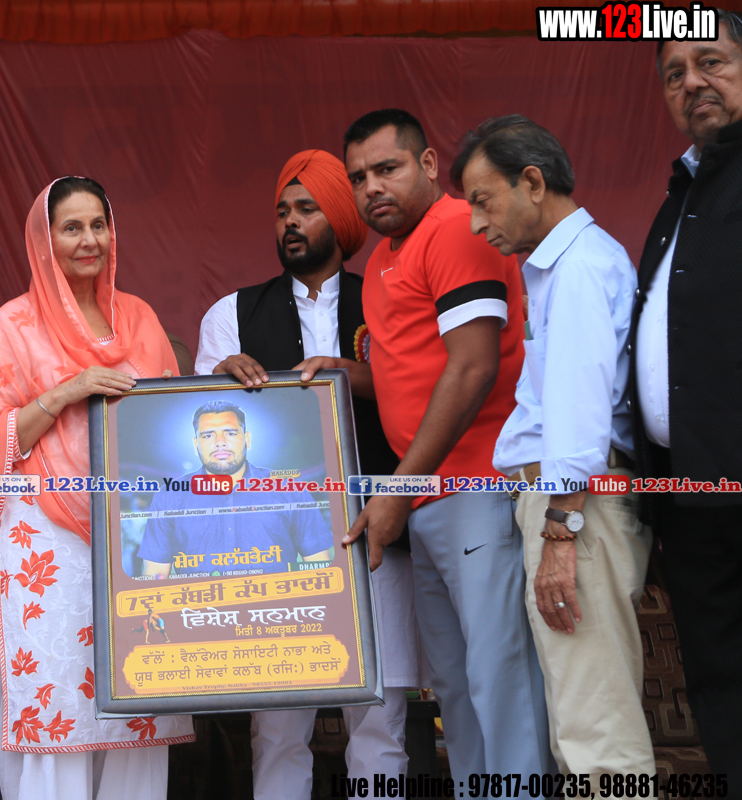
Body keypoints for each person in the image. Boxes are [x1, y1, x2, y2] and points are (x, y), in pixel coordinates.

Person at [196, 149, 420, 798]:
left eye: (306, 209)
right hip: (274, 554)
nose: (290, 222)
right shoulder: (231, 315)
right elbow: (200, 431)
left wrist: (358, 376)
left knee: (379, 723)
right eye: (281, 211)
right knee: (277, 728)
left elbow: (426, 393)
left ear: (341, 218)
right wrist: (215, 381)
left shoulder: (391, 299)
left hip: (376, 537)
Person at [0, 177, 193, 800]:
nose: (89, 239)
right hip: (45, 538)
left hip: (135, 537)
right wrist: (67, 391)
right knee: (57, 701)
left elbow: (175, 425)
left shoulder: (139, 317)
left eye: (99, 225)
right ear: (44, 240)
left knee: (136, 709)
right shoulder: (15, 323)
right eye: (72, 227)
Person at [341, 109, 550, 777]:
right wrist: (344, 376)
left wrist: (399, 489)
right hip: (430, 498)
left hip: (476, 485)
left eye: (387, 168)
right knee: (455, 689)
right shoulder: (384, 257)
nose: (372, 187)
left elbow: (473, 368)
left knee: (499, 679)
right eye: (358, 177)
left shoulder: (456, 226)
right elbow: (415, 372)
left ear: (428, 164)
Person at [453, 115, 653, 777]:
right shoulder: (562, 267)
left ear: (533, 183)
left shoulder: (578, 269)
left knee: (596, 732)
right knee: (583, 718)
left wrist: (562, 534)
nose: (477, 224)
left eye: (483, 201)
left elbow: (579, 417)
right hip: (570, 505)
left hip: (576, 507)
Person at [631, 13, 742, 776]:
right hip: (691, 495)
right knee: (719, 681)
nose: (692, 82)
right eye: (675, 74)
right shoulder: (681, 199)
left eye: (712, 62)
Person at [138, 400, 332, 577]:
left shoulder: (288, 489)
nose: (220, 442)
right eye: (208, 435)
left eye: (230, 433)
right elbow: (155, 575)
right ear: (196, 444)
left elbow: (319, 567)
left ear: (247, 439)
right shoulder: (169, 497)